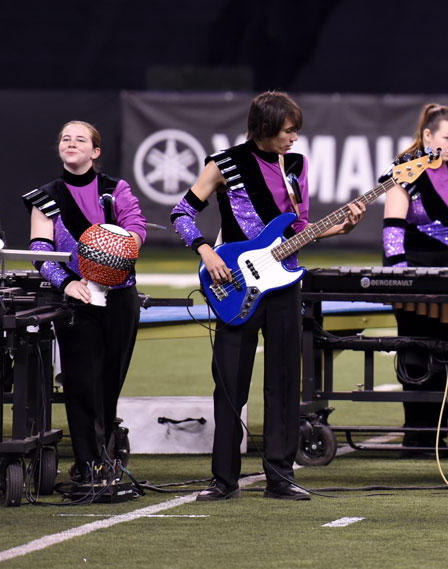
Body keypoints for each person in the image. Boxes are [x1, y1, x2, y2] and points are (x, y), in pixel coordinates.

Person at [171, 91, 364, 501]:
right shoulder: (223, 163)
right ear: (264, 128)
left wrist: (341, 229)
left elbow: (299, 230)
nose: (294, 138)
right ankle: (223, 479)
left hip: (284, 285)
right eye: (288, 131)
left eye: (296, 131)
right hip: (236, 285)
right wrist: (205, 250)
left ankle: (280, 475)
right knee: (229, 384)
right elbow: (181, 212)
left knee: (282, 381)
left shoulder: (295, 165)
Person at [23, 121, 146, 482]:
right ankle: (87, 464)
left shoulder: (115, 189)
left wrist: (118, 252)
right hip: (76, 299)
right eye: (65, 138)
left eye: (80, 139)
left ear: (95, 152)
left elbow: (136, 228)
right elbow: (41, 251)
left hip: (121, 295)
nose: (71, 143)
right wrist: (68, 282)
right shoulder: (45, 197)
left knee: (110, 380)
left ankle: (101, 454)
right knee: (80, 383)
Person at [381, 104, 448, 453]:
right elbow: (392, 230)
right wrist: (401, 282)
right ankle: (415, 436)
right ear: (428, 135)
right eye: (446, 138)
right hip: (413, 270)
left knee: (445, 354)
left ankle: (439, 436)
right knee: (416, 352)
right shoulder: (405, 169)